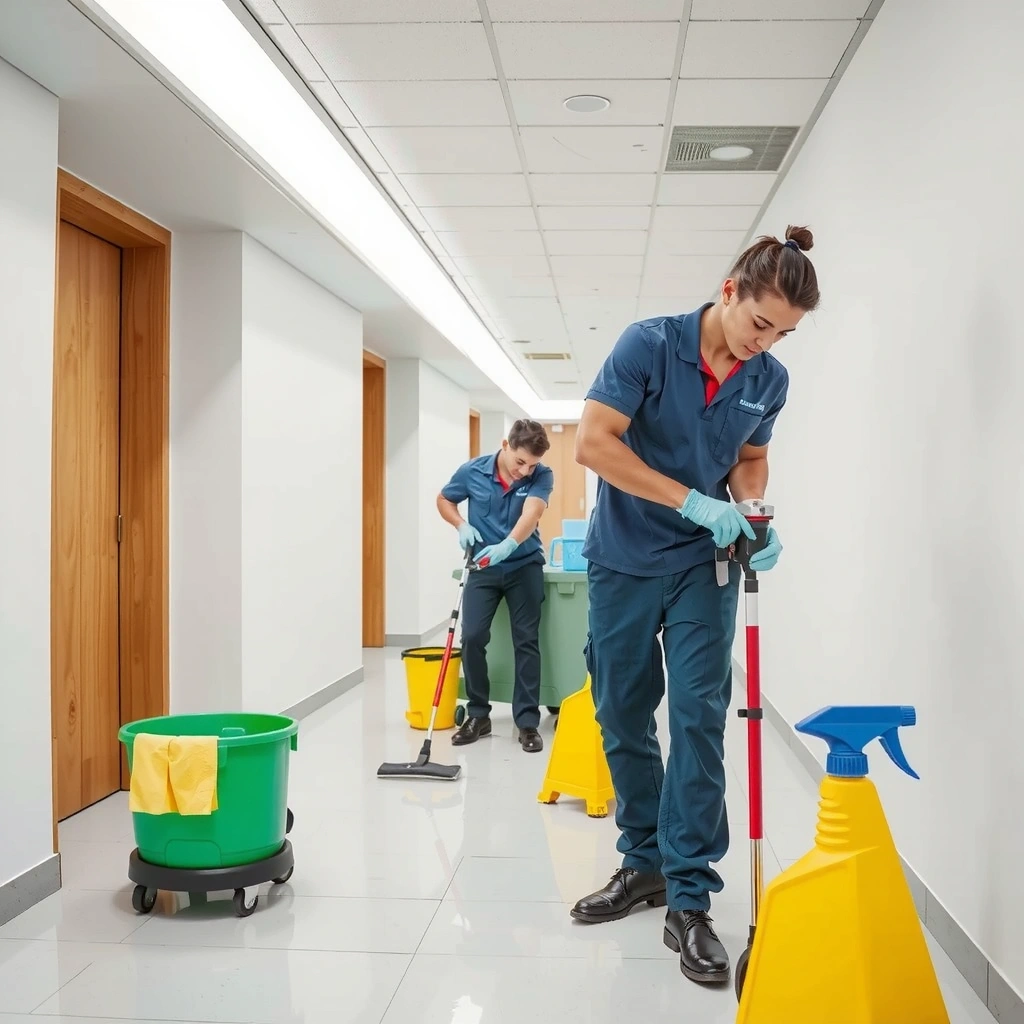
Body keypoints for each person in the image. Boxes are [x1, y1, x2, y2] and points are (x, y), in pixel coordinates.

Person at [569, 227, 821, 985]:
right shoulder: (648, 345)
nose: (765, 342)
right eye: (760, 322)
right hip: (622, 557)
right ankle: (641, 862)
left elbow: (749, 458)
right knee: (620, 709)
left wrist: (754, 511)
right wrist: (692, 502)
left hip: (702, 565)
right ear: (730, 291)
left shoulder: (767, 379)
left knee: (698, 717)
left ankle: (688, 896)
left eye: (783, 333)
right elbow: (592, 443)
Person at [436, 419, 554, 753]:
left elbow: (532, 513)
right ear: (505, 446)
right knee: (472, 636)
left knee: (526, 640)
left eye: (532, 465)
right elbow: (444, 499)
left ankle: (527, 722)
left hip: (523, 565)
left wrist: (509, 545)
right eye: (520, 462)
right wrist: (460, 524)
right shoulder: (472, 471)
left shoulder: (542, 475)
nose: (525, 471)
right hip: (483, 567)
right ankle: (478, 715)